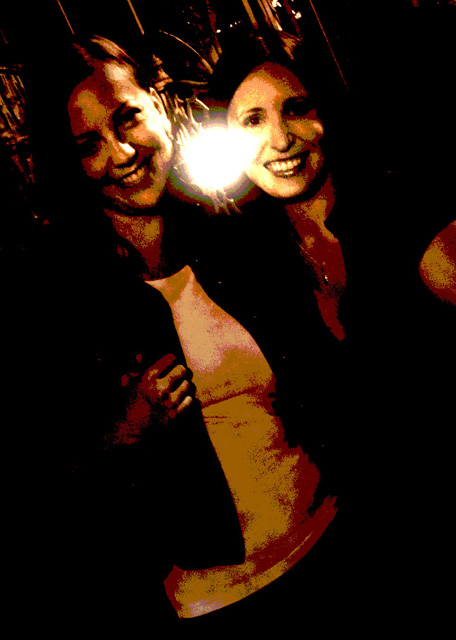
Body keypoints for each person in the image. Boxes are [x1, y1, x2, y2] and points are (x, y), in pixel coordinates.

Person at [20, 33, 340, 631]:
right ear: (70, 165)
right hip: (218, 602)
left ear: (159, 106)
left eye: (127, 118)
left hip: (330, 534)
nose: (122, 153)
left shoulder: (235, 232)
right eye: (89, 145)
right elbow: (50, 478)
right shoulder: (59, 300)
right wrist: (125, 431)